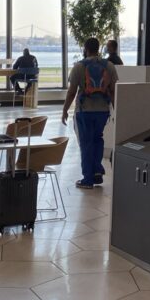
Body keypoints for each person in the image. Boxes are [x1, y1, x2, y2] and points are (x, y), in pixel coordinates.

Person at [61, 38, 118, 189]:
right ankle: (97, 171)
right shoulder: (109, 66)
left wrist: (65, 109)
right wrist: (116, 109)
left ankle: (87, 179)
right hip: (102, 111)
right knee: (98, 139)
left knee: (86, 143)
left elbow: (72, 92)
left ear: (85, 48)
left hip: (84, 111)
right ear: (99, 48)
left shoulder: (79, 66)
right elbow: (113, 91)